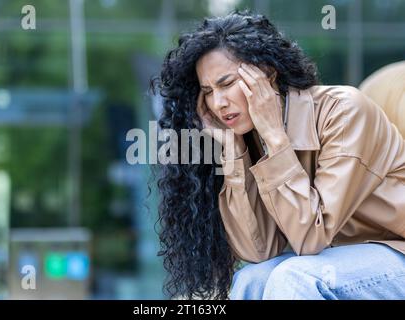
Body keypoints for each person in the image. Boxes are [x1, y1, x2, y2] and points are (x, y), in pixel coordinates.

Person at [151, 10, 405, 300]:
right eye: (208, 91)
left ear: (268, 75)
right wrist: (233, 153)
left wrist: (275, 137)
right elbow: (258, 251)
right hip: (337, 260)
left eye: (227, 84)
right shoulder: (249, 136)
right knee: (249, 280)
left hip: (396, 252)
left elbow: (310, 238)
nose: (218, 103)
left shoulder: (344, 112)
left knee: (294, 278)